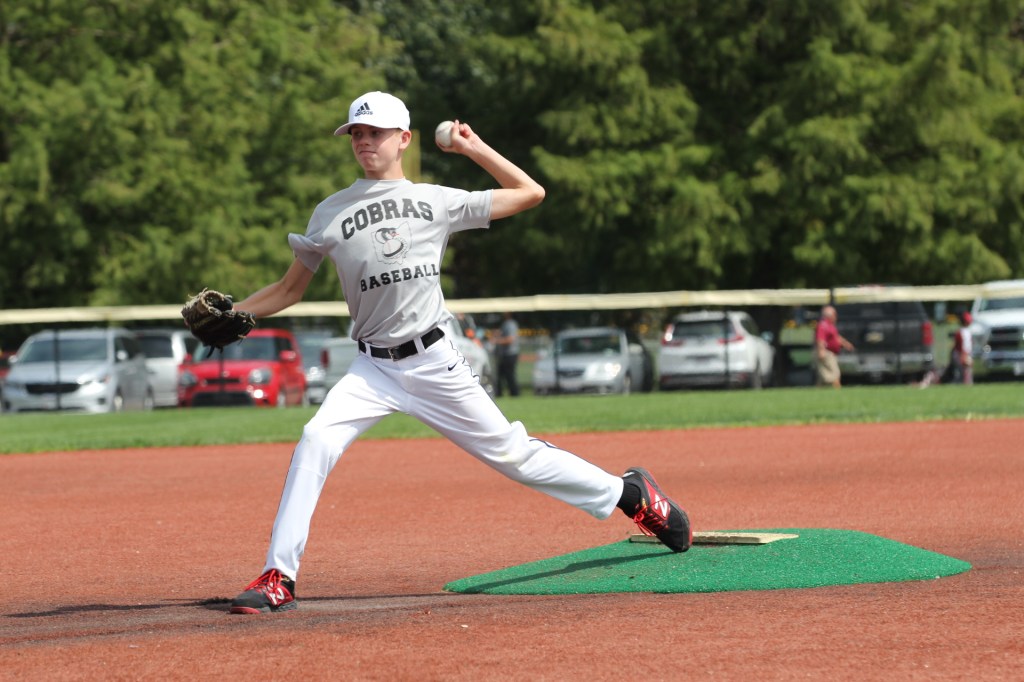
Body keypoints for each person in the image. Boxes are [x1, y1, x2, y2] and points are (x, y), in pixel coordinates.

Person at [225, 91, 691, 614]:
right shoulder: (330, 211)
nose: (363, 141)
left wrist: (474, 148)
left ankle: (630, 496)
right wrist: (237, 312)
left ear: (404, 139)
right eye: (356, 133)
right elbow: (289, 290)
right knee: (315, 439)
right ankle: (279, 576)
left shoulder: (435, 200)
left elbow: (530, 192)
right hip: (372, 367)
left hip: (433, 361)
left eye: (375, 132)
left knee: (513, 455)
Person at [814, 305, 855, 388]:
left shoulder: (830, 325)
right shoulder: (823, 325)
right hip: (826, 353)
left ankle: (819, 391)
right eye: (834, 314)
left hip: (831, 353)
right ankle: (837, 391)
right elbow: (820, 340)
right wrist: (821, 351)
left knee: (825, 377)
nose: (836, 317)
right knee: (835, 374)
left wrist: (845, 344)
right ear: (829, 316)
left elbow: (836, 337)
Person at [493, 312, 520, 397]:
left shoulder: (510, 324)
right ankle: (500, 393)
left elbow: (510, 339)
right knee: (501, 375)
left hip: (510, 354)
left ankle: (514, 393)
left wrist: (497, 341)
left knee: (510, 375)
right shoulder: (506, 324)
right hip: (505, 354)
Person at [948, 312, 974, 385]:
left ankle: (966, 383)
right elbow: (963, 346)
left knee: (965, 372)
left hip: (962, 354)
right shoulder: (963, 332)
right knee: (963, 373)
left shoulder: (963, 331)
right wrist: (964, 356)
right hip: (961, 354)